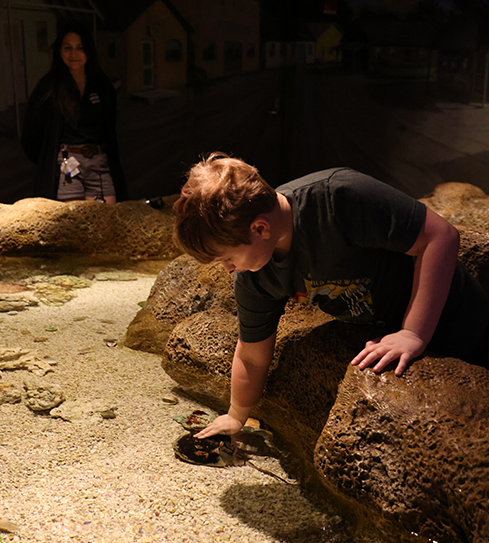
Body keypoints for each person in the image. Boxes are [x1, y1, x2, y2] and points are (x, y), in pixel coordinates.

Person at [173, 154, 489, 440]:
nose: (229, 269)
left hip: (461, 319)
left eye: (228, 258)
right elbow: (251, 354)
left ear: (259, 229)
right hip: (382, 336)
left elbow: (441, 237)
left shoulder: (339, 198)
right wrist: (236, 415)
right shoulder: (255, 277)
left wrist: (413, 333)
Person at [21, 22, 127, 203]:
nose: (74, 54)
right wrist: (46, 160)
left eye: (80, 48)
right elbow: (31, 129)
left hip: (98, 160)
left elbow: (110, 128)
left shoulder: (102, 86)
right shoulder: (49, 87)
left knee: (105, 218)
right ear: (59, 51)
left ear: (89, 51)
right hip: (68, 162)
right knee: (73, 220)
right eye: (68, 48)